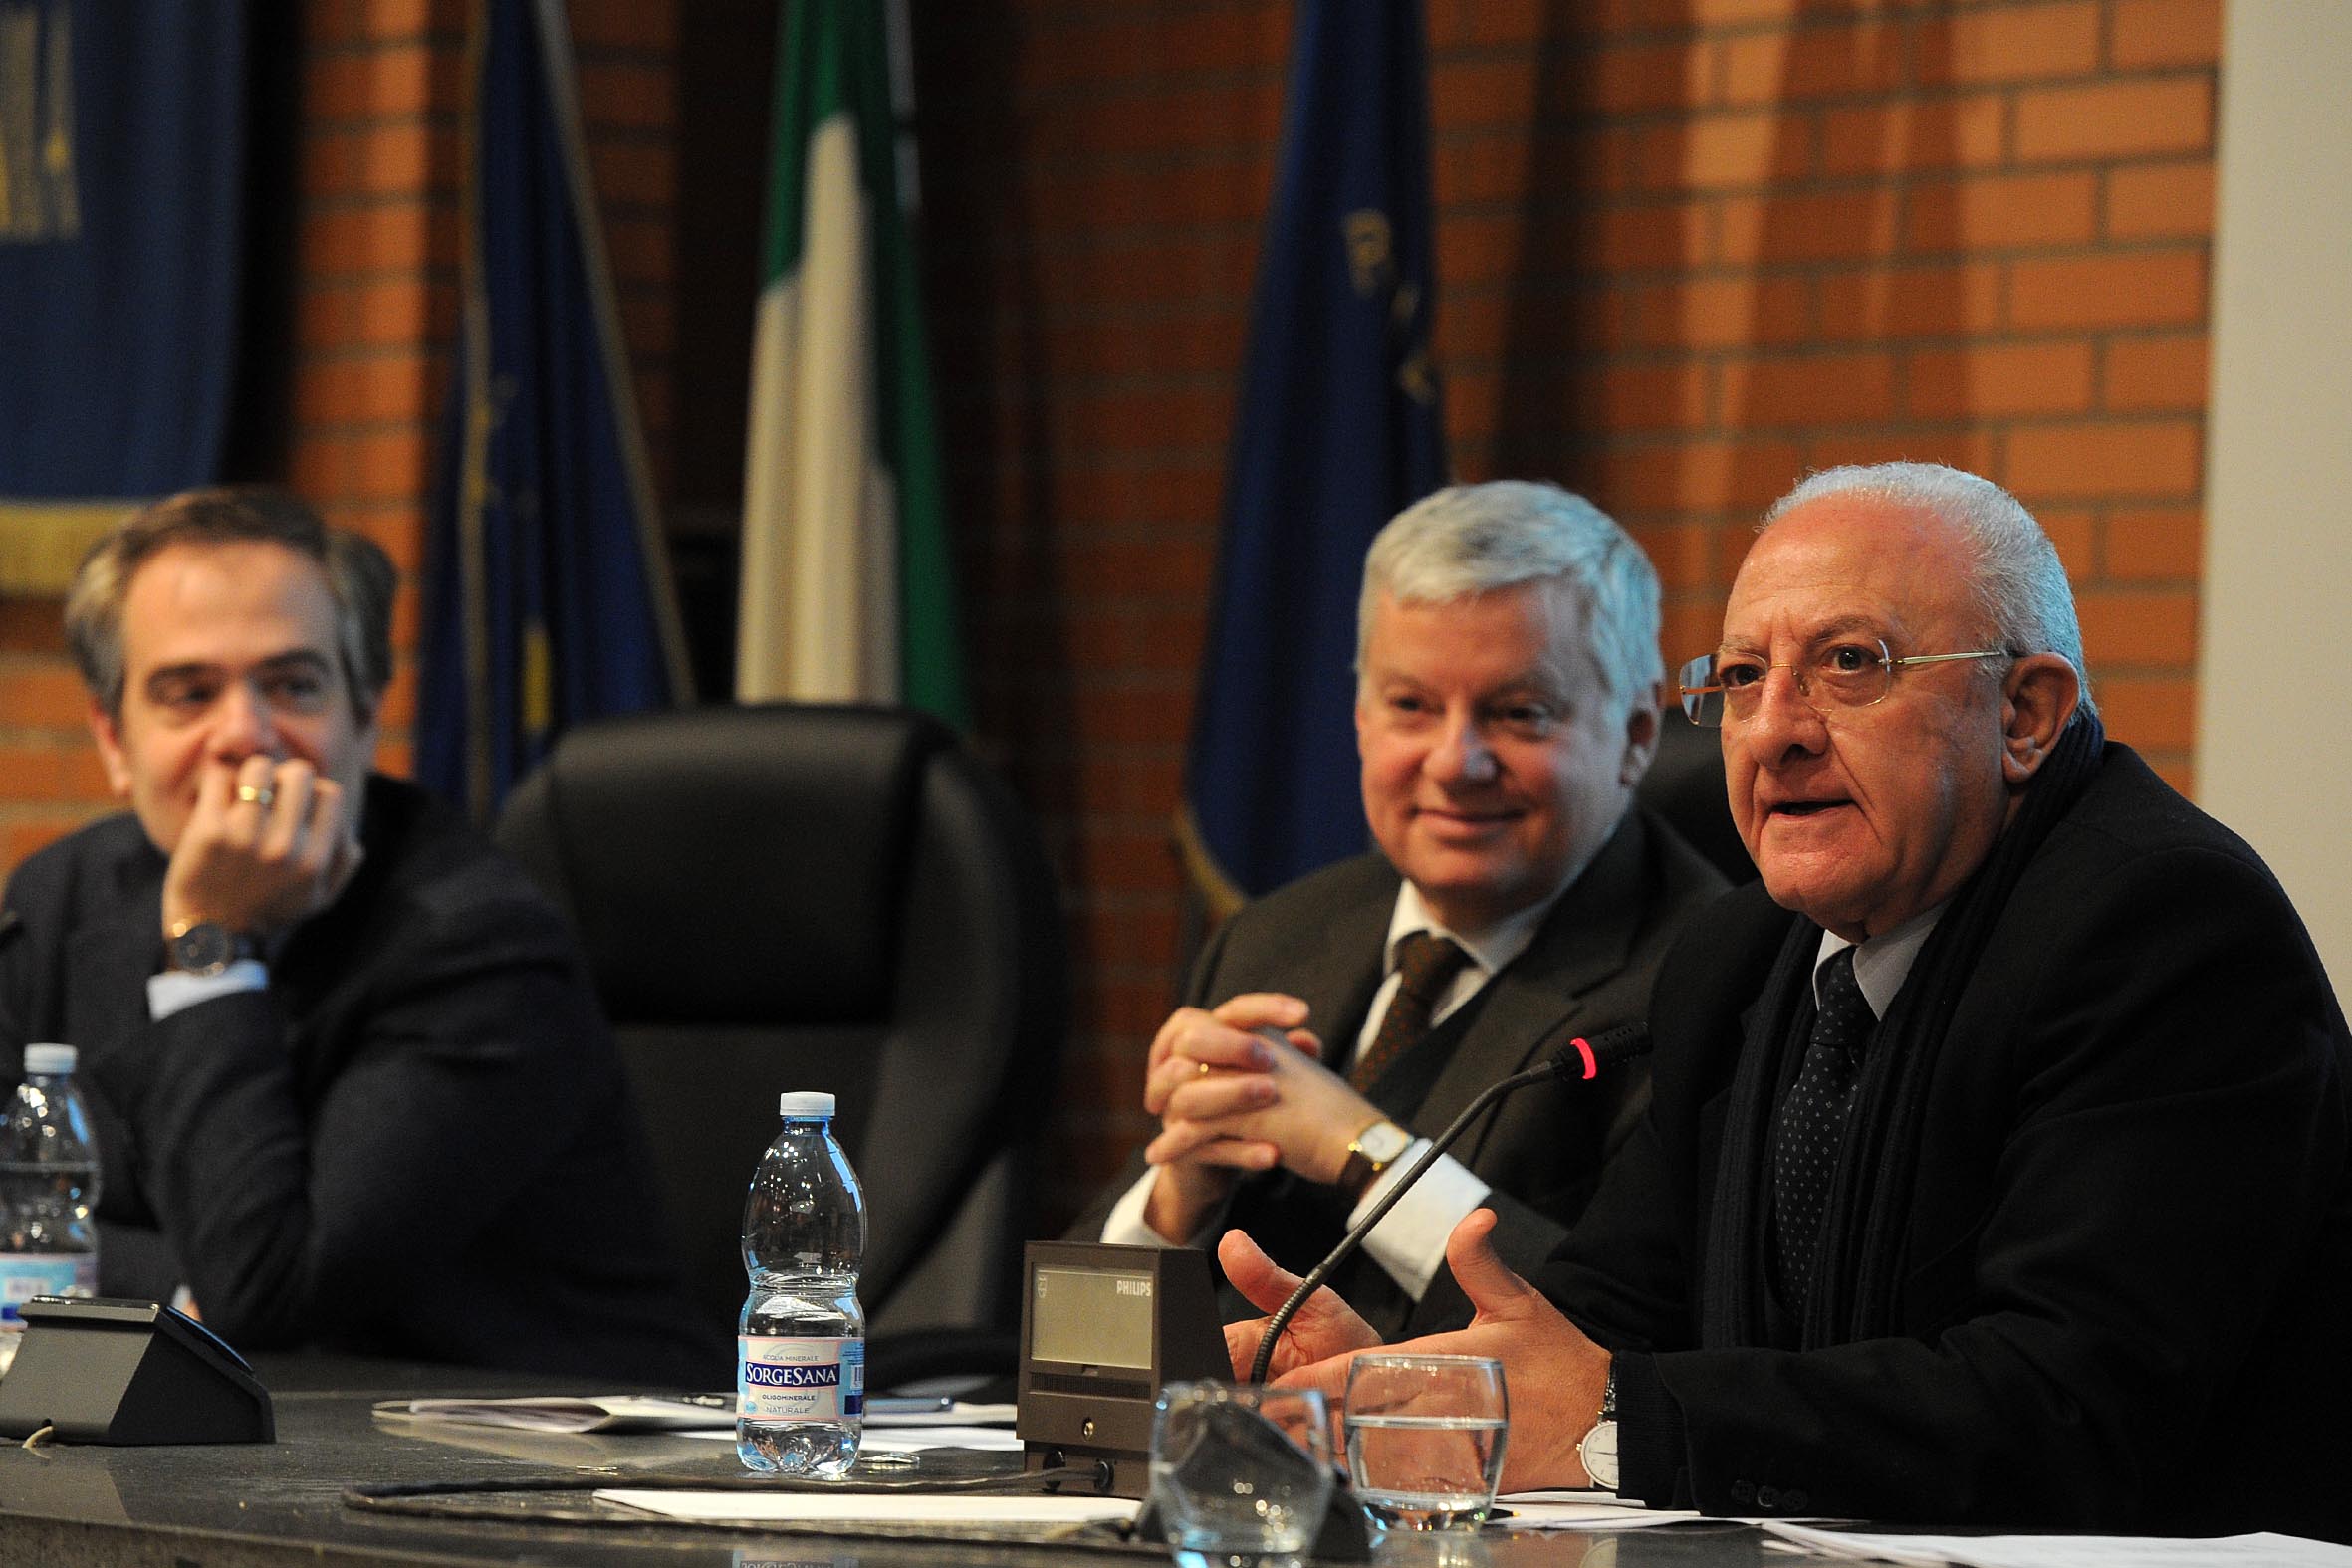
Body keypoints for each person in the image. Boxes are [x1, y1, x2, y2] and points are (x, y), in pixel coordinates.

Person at [1226, 462, 2352, 1540]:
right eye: (1740, 678)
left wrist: (1621, 1414)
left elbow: (2067, 1403)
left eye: (1849, 663)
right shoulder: (1742, 955)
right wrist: (1426, 1392)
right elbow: (1599, 1325)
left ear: (2025, 714)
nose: (1774, 728)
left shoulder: (2162, 928)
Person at [0, 487, 710, 1382]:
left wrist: (208, 940)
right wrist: (178, 1289)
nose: (246, 734)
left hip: (542, 1444)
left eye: (293, 685)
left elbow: (266, 1294)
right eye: (190, 694)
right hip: (211, 1429)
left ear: (367, 714)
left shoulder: (477, 939)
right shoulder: (60, 899)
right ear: (113, 739)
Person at [1073, 481, 1726, 1338]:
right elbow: (1078, 1355)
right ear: (1360, 717)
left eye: (1518, 712)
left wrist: (1368, 1155)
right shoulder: (1273, 938)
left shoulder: (1710, 980)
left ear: (1637, 734)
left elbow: (1645, 1341)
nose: (1454, 761)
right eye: (1411, 705)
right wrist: (1176, 1202)